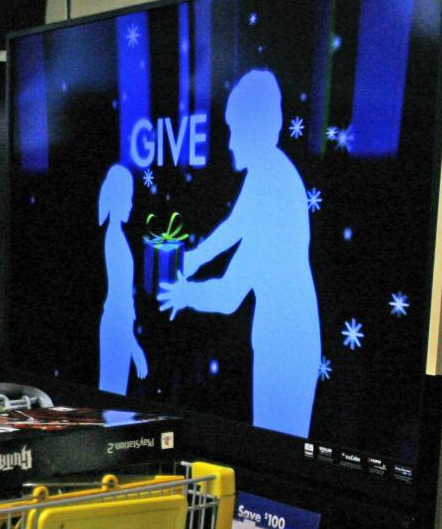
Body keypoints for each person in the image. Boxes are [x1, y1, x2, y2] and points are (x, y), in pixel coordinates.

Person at [157, 68, 320, 438]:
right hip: (280, 336)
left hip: (287, 343)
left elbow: (231, 294)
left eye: (235, 130)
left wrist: (186, 294)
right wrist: (196, 256)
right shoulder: (267, 170)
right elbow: (234, 225)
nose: (229, 143)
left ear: (258, 128)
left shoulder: (274, 186)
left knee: (279, 451)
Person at [97, 164, 146, 396]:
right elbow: (119, 299)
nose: (131, 205)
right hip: (117, 329)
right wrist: (134, 347)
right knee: (113, 399)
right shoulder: (115, 239)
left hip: (119, 327)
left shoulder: (117, 237)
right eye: (128, 198)